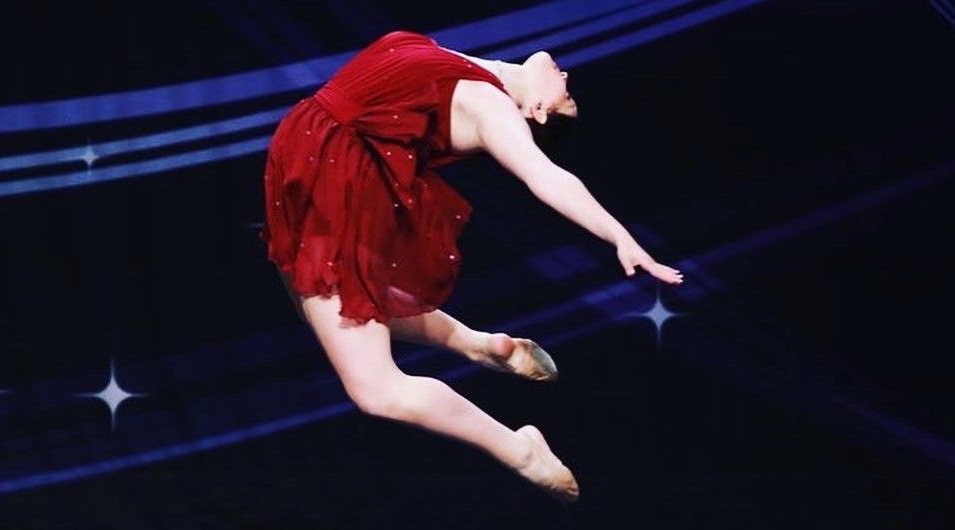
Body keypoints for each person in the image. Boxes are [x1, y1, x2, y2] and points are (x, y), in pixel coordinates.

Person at [260, 29, 683, 504]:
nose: (567, 77)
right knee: (319, 305)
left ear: (537, 111)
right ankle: (477, 344)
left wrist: (619, 236)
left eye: (566, 96)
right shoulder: (476, 68)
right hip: (309, 159)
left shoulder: (492, 107)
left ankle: (520, 449)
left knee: (377, 391)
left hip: (334, 178)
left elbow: (545, 175)